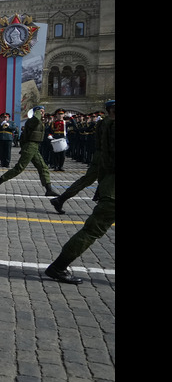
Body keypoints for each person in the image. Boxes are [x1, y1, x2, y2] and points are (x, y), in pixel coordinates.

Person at [44, 100, 115, 284]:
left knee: (91, 229)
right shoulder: (107, 124)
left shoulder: (104, 123)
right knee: (91, 230)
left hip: (108, 179)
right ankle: (58, 267)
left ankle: (60, 199)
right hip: (110, 185)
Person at [0, 106, 60, 196]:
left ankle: (49, 189)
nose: (43, 114)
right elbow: (35, 119)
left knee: (43, 167)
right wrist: (38, 112)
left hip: (35, 146)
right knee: (19, 168)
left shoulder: (39, 122)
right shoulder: (32, 121)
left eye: (43, 112)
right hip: (30, 146)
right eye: (41, 112)